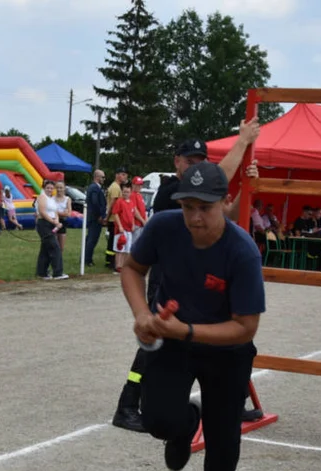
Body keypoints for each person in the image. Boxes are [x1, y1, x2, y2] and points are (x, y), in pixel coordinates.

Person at [121, 162, 265, 471]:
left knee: (223, 433)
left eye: (206, 207)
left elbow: (246, 327)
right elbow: (132, 268)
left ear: (226, 203)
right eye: (188, 207)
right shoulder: (164, 227)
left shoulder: (242, 252)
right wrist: (141, 313)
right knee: (155, 420)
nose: (195, 217)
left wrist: (186, 330)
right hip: (173, 340)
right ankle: (185, 423)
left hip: (226, 348)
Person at [111, 123, 260, 433]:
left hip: (193, 278)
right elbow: (222, 175)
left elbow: (223, 215)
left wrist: (247, 188)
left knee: (169, 338)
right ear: (176, 161)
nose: (196, 166)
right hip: (167, 277)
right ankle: (128, 403)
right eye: (189, 161)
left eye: (200, 161)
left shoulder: (201, 198)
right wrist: (243, 142)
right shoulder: (169, 192)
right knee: (154, 338)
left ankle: (221, 401)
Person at [35, 179, 67, 280]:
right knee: (55, 247)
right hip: (44, 224)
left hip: (52, 224)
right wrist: (54, 222)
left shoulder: (51, 199)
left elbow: (55, 212)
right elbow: (43, 212)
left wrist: (57, 222)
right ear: (44, 188)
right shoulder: (42, 197)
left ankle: (42, 272)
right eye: (48, 188)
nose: (50, 190)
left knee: (45, 249)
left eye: (51, 188)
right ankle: (58, 272)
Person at [104, 167, 128, 268]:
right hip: (113, 218)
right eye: (123, 174)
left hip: (113, 218)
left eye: (125, 174)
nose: (124, 176)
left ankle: (110, 260)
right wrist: (107, 217)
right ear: (117, 175)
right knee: (112, 241)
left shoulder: (117, 186)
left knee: (112, 240)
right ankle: (110, 261)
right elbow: (113, 204)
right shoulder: (115, 187)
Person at [84, 169, 107, 266]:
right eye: (102, 177)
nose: (104, 179)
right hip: (94, 218)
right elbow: (95, 202)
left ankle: (85, 257)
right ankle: (87, 259)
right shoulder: (94, 188)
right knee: (92, 239)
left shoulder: (95, 188)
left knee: (90, 238)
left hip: (93, 217)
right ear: (97, 177)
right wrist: (100, 215)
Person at [54, 181, 72, 253]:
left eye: (61, 188)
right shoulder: (52, 199)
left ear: (64, 188)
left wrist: (57, 212)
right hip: (53, 222)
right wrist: (62, 213)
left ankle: (59, 261)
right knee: (53, 244)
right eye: (57, 188)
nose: (59, 190)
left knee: (61, 247)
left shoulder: (67, 199)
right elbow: (51, 213)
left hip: (63, 223)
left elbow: (68, 214)